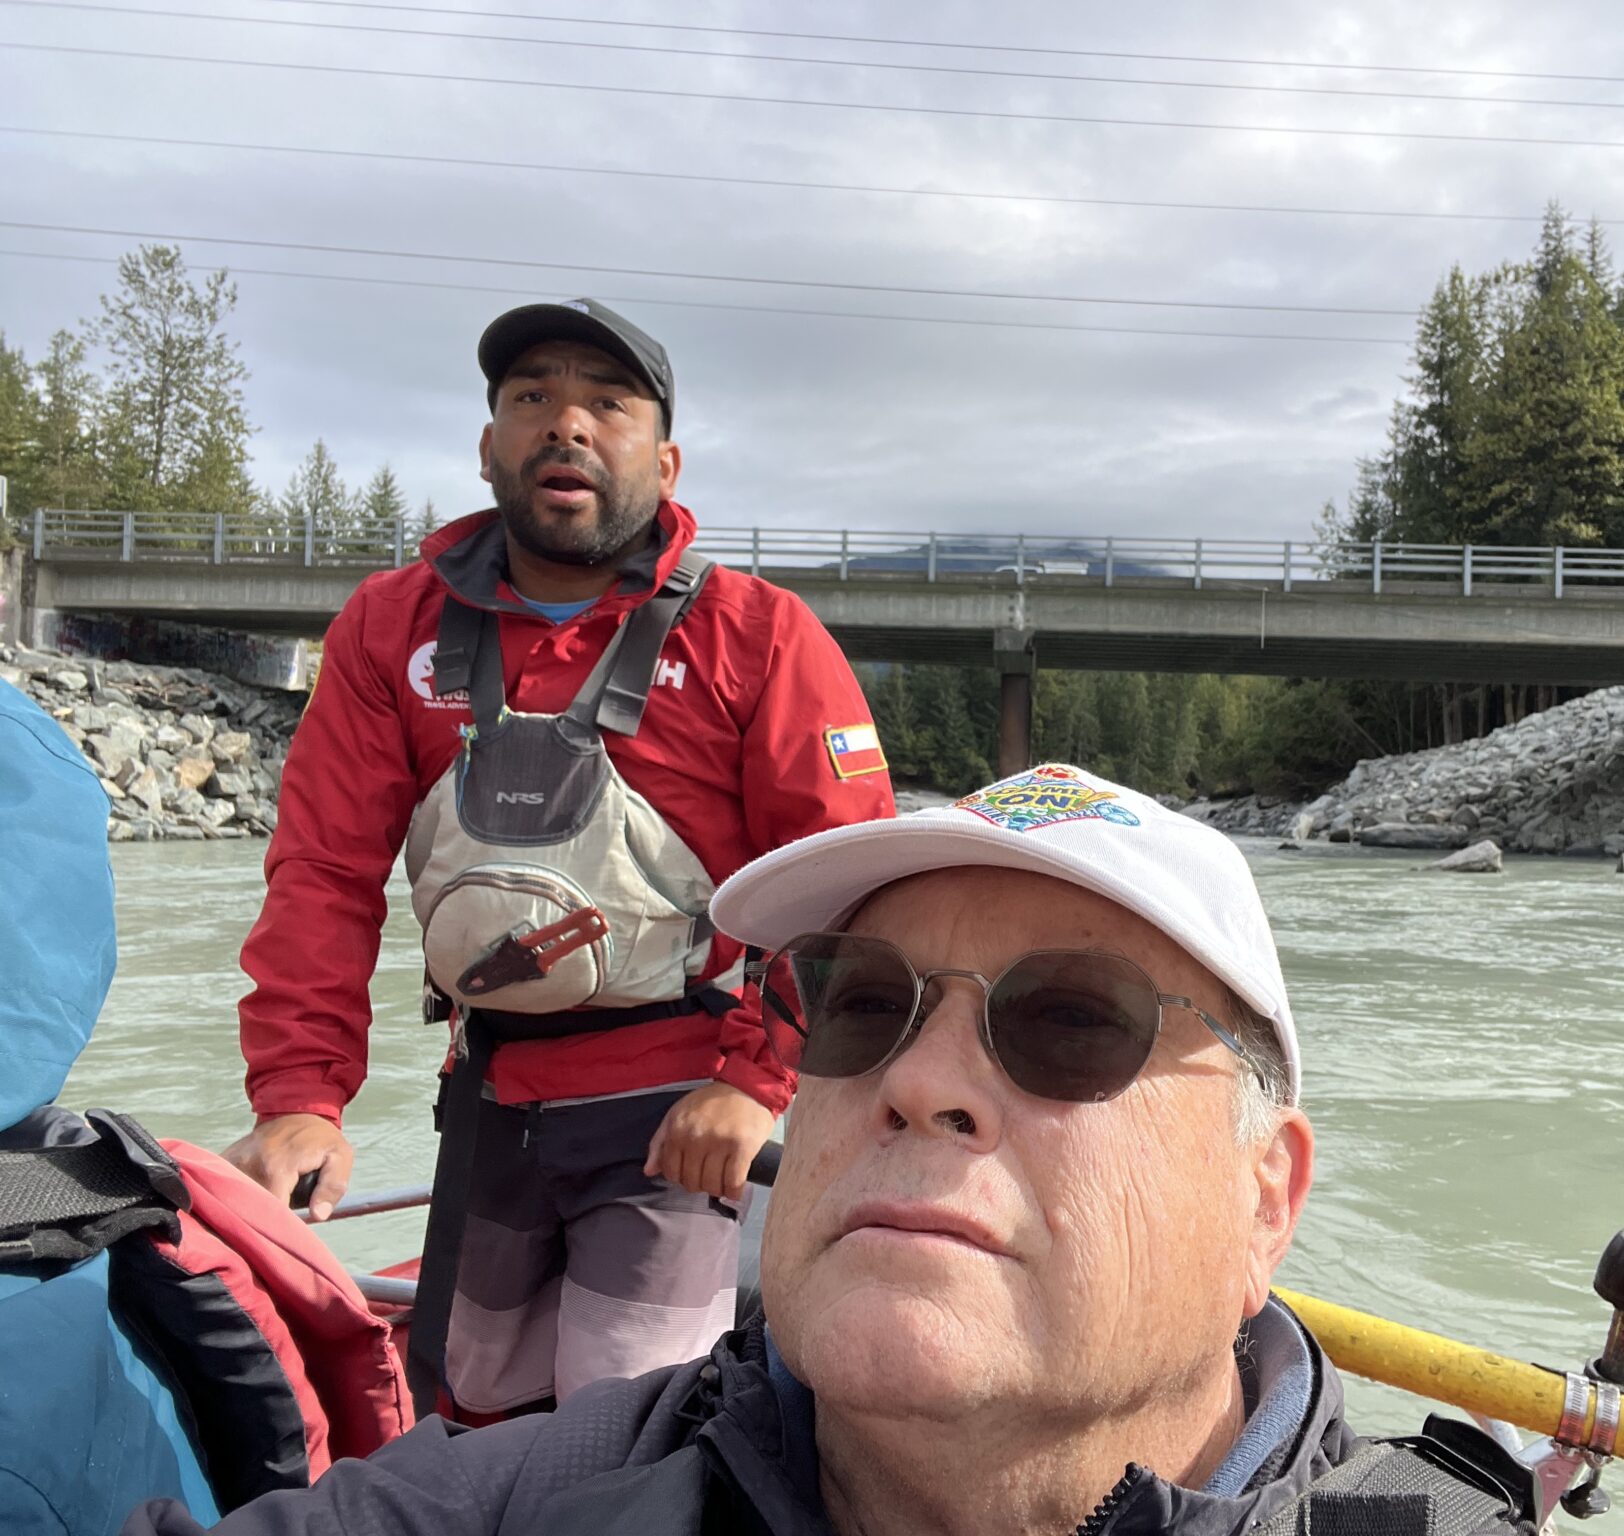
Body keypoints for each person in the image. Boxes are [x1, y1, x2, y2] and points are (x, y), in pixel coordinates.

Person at [130, 764, 1533, 1535]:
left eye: (1068, 1023)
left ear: (1263, 1199)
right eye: (864, 1006)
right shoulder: (519, 1503)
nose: (916, 1081)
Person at [219, 298, 896, 1418]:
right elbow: (322, 878)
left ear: (664, 463)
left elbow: (843, 886)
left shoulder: (759, 634)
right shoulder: (388, 627)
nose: (566, 424)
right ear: (489, 445)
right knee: (470, 1406)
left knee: (621, 1431)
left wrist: (754, 1083)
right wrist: (301, 1098)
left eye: (607, 403)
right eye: (532, 396)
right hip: (489, 1096)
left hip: (679, 1113)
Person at [0, 676, 408, 1535]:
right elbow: (328, 875)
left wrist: (301, 1095)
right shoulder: (91, 1190)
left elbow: (326, 874)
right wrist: (302, 1094)